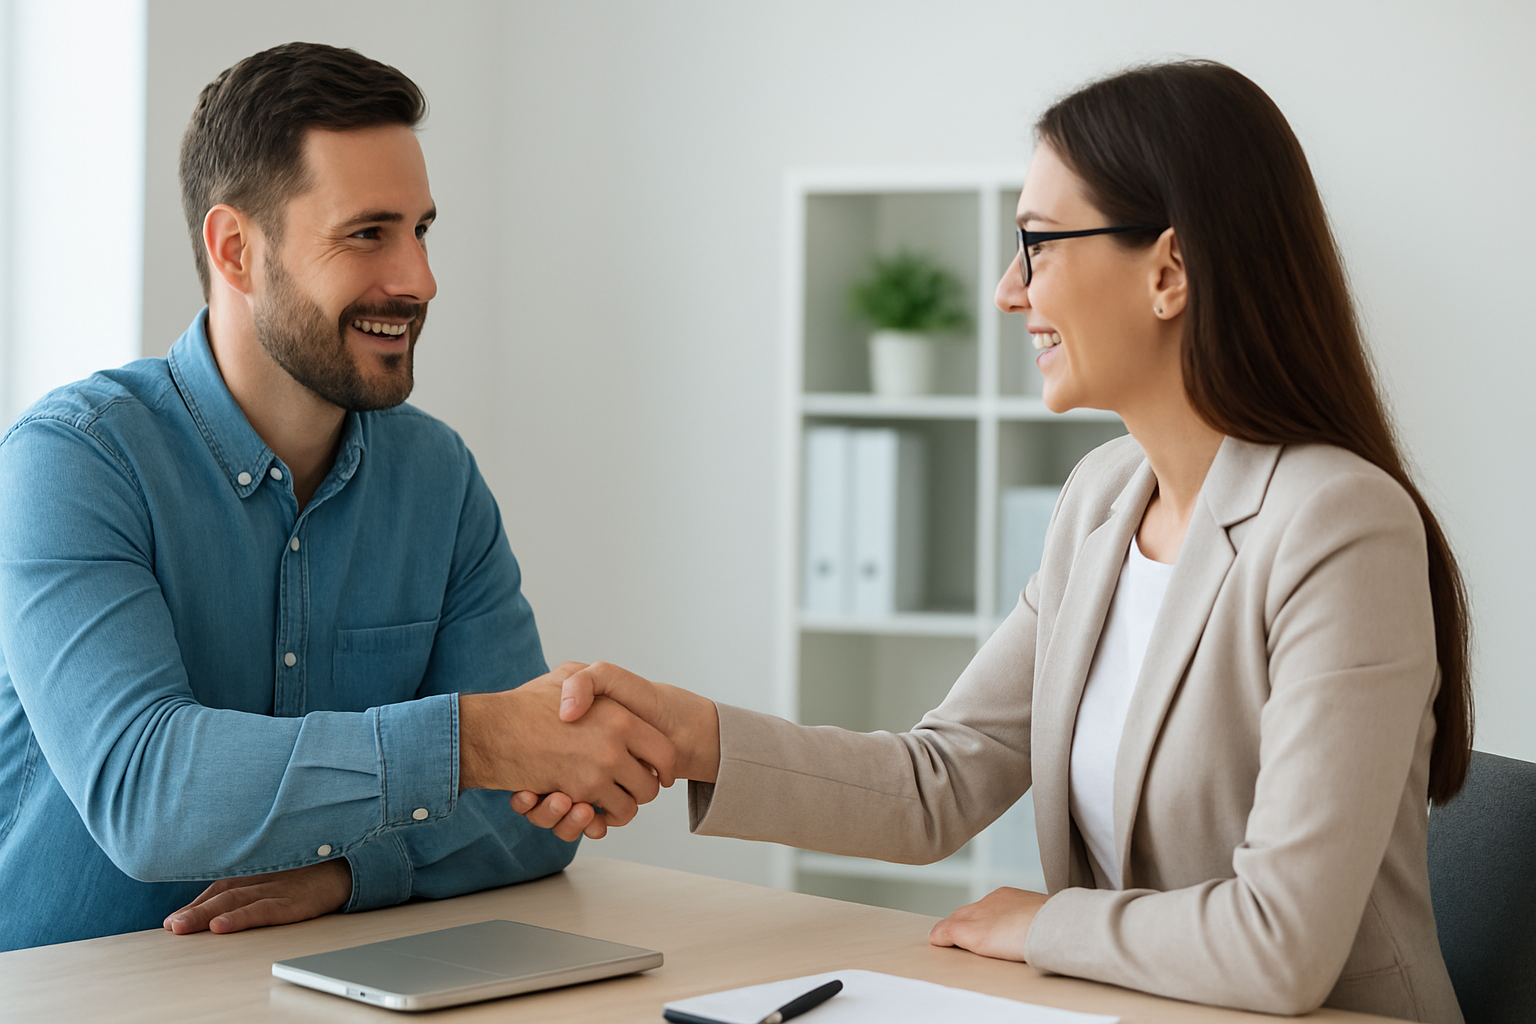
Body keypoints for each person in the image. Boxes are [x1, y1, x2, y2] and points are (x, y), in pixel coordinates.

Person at [512, 61, 1471, 1023]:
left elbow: (1281, 946)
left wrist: (1047, 924)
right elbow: (940, 780)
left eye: (1039, 244)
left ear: (1169, 271)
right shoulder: (1100, 500)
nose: (1009, 290)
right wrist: (693, 737)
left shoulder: (1339, 526)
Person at [0, 42, 676, 952]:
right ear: (236, 250)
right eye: (368, 234)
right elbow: (145, 793)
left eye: (421, 230)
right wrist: (471, 741)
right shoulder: (72, 462)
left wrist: (354, 870)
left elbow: (527, 819)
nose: (420, 280)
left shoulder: (438, 479)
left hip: (322, 988)